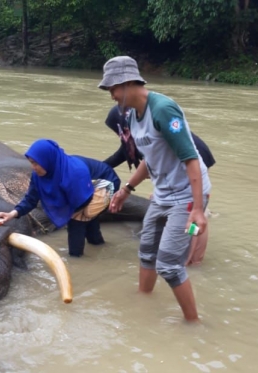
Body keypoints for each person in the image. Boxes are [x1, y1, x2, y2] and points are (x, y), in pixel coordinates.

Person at [102, 56, 211, 322]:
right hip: (162, 195)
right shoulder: (131, 116)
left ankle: (193, 323)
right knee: (147, 252)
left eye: (113, 89)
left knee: (170, 265)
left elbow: (190, 159)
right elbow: (149, 160)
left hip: (188, 196)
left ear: (127, 83)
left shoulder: (163, 110)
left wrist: (198, 208)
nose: (112, 96)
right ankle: (144, 303)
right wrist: (126, 188)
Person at [0, 139, 120, 257]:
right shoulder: (38, 175)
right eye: (31, 163)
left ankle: (77, 258)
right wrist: (11, 214)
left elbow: (82, 202)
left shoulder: (74, 173)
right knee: (87, 221)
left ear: (47, 160)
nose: (33, 167)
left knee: (78, 222)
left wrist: (64, 213)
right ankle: (98, 246)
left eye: (36, 163)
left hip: (105, 183)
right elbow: (30, 200)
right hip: (85, 188)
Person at [103, 104, 216, 171]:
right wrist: (91, 169)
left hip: (194, 158)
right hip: (187, 160)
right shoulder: (135, 135)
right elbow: (116, 158)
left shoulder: (145, 133)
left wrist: (128, 187)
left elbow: (151, 165)